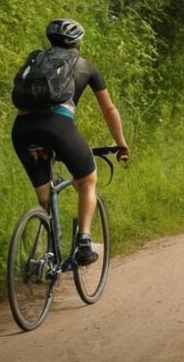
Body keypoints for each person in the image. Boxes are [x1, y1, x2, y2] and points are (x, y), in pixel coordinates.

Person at [11, 19, 130, 265]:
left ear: (50, 40)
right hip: (57, 128)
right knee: (87, 180)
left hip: (22, 130)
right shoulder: (85, 66)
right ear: (77, 42)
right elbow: (109, 109)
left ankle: (46, 257)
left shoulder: (36, 62)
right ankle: (84, 244)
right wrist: (121, 143)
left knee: (44, 197)